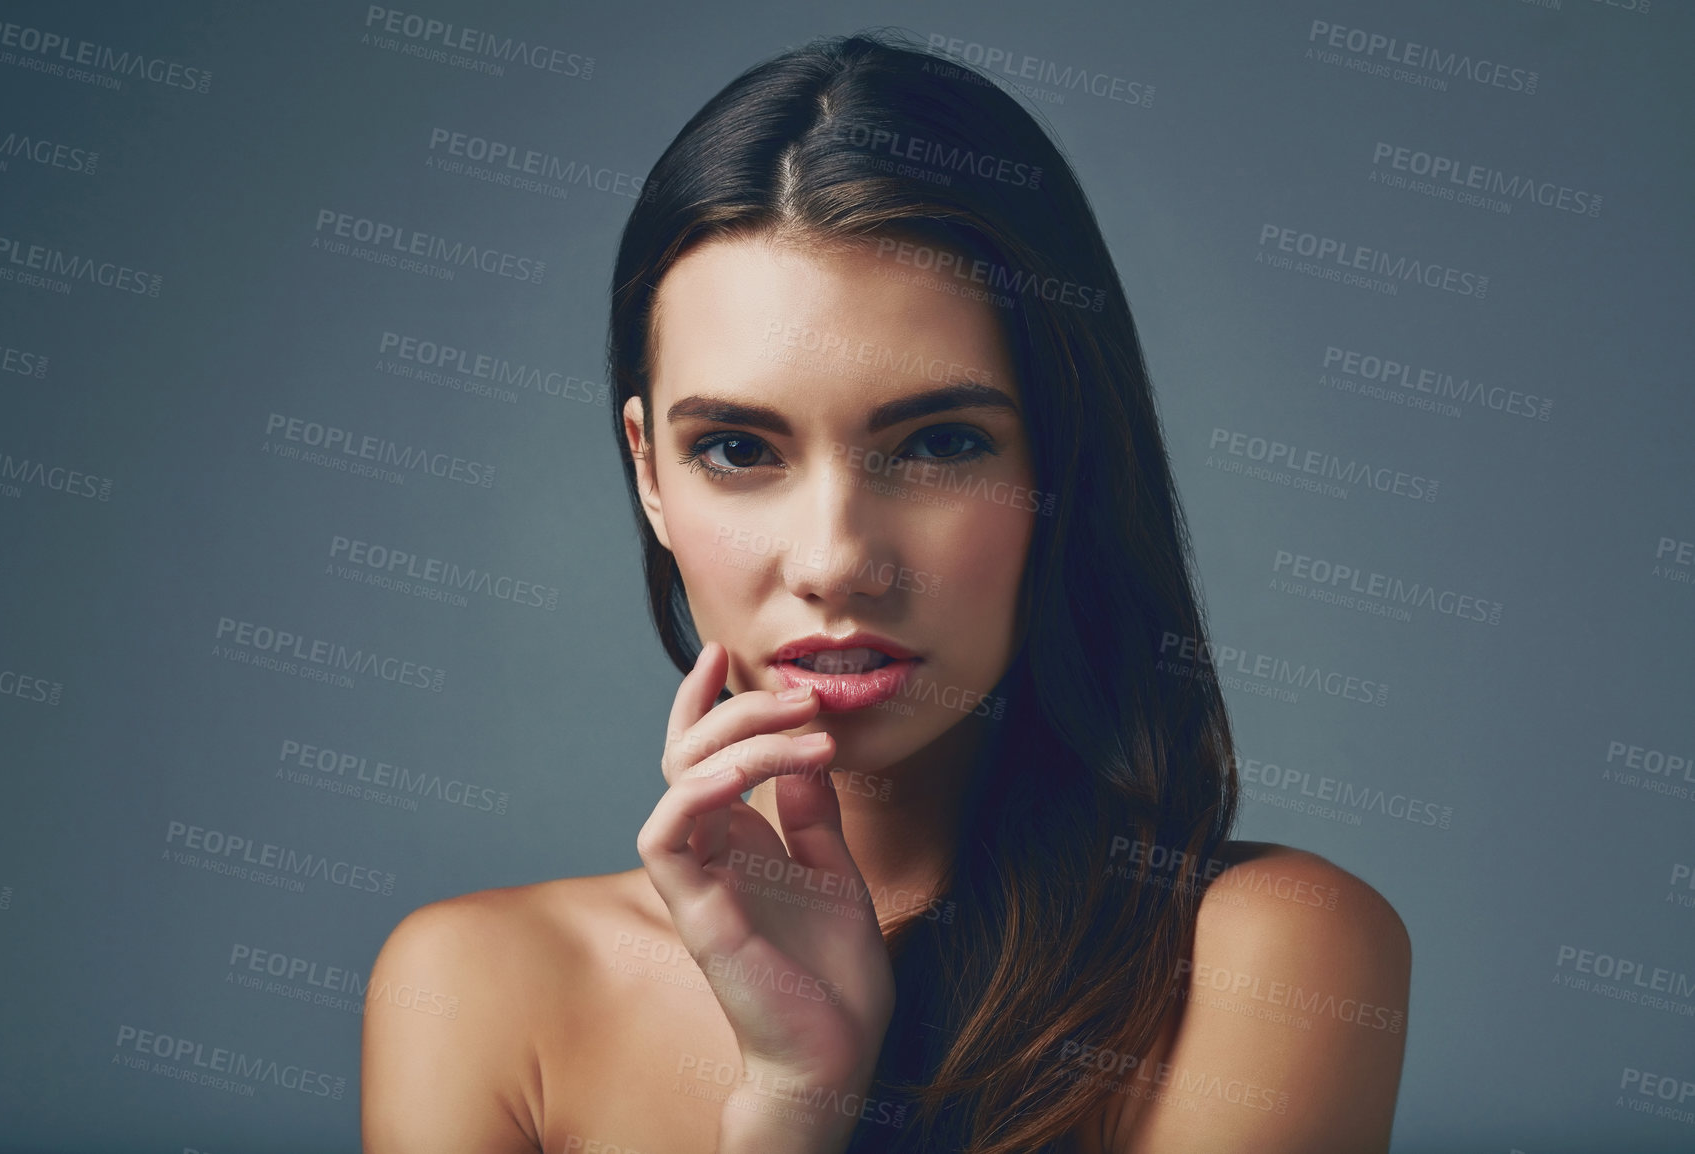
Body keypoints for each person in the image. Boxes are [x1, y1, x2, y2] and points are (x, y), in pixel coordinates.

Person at [361, 30, 1410, 1154]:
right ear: (648, 474)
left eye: (939, 442)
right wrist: (791, 1101)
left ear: (1062, 461)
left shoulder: (1264, 957)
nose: (834, 559)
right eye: (736, 448)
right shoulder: (477, 989)